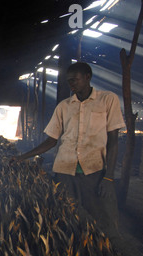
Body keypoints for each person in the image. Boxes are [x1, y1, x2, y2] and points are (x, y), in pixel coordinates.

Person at [13, 62, 125, 237]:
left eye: (75, 80)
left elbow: (113, 141)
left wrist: (109, 176)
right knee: (67, 218)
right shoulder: (64, 106)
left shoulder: (107, 100)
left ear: (88, 77)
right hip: (64, 171)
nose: (71, 84)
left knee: (100, 220)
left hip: (94, 171)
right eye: (68, 81)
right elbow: (51, 141)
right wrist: (23, 157)